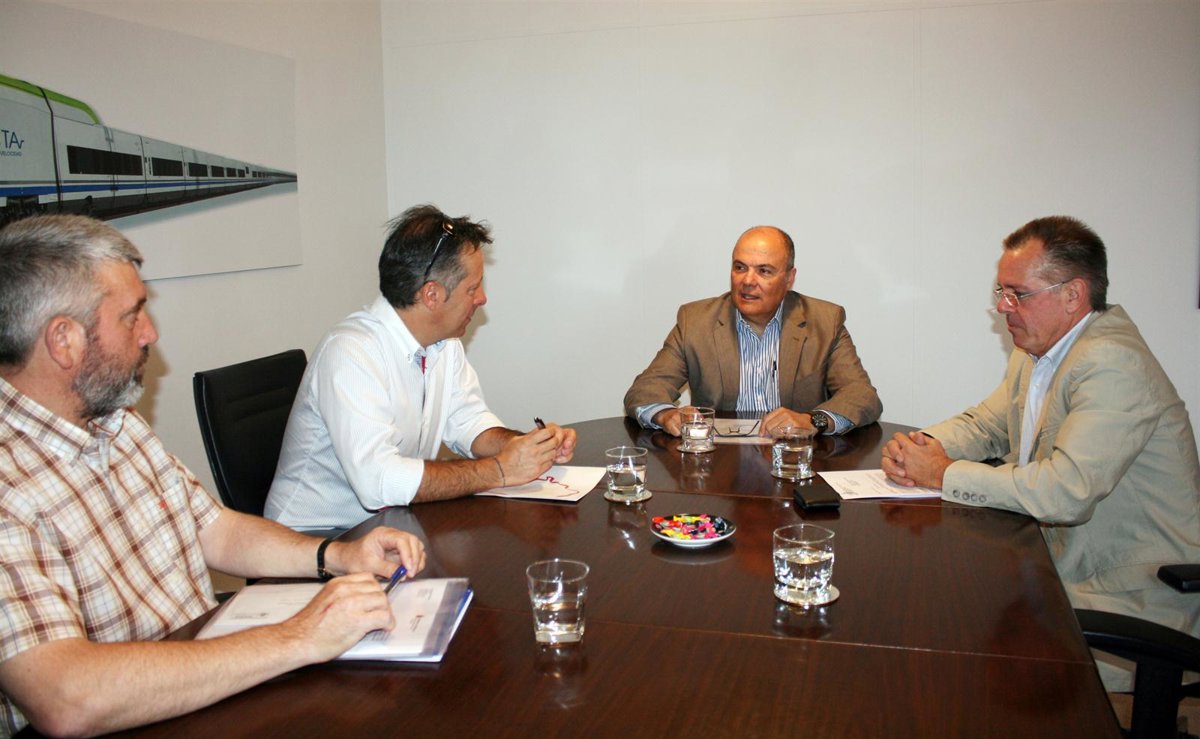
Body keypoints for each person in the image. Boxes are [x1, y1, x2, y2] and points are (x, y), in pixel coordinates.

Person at [0, 215, 427, 737]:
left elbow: (213, 529)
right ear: (63, 341)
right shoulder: (8, 484)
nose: (150, 333)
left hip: (203, 679)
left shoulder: (113, 421)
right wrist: (301, 637)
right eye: (131, 316)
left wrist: (336, 556)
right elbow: (67, 698)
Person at [881, 215, 1200, 689]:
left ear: (1073, 295)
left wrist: (942, 474)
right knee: (932, 596)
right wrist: (920, 447)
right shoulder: (1038, 350)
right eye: (1001, 292)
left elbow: (1064, 492)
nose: (1002, 307)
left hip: (1131, 597)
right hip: (1058, 566)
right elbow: (986, 425)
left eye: (1018, 294)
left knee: (954, 637)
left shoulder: (1112, 362)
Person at [266, 204, 576, 531]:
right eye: (472, 288)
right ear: (431, 295)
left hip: (387, 524)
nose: (482, 298)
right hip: (314, 537)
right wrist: (500, 470)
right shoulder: (351, 353)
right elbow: (378, 481)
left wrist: (529, 448)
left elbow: (468, 422)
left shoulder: (443, 343)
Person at [624, 225, 882, 438]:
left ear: (789, 279)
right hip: (718, 466)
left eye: (764, 271)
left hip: (794, 461)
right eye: (740, 267)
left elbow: (862, 396)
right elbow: (644, 390)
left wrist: (813, 420)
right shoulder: (696, 321)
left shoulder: (825, 322)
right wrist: (666, 414)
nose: (747, 281)